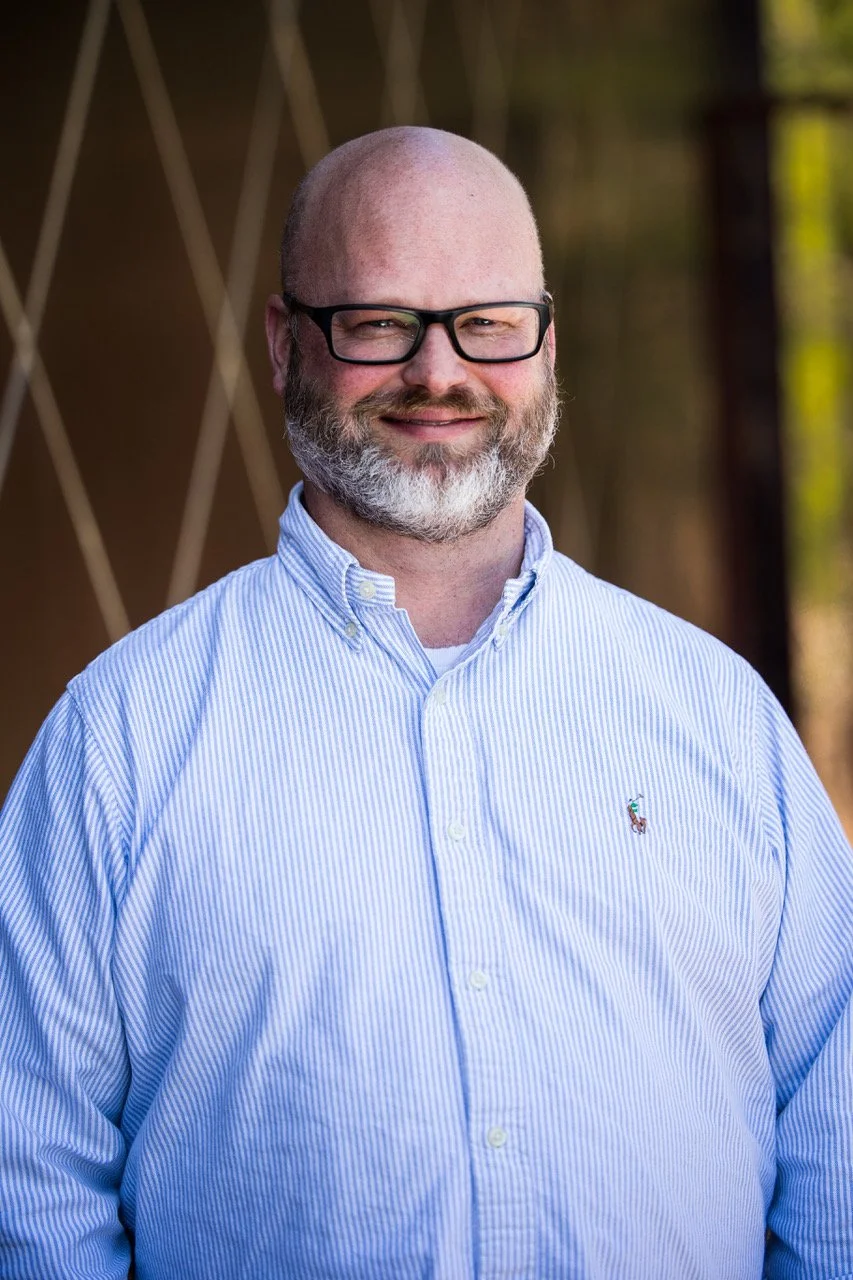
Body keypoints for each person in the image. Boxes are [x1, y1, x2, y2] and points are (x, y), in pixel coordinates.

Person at [1, 126, 851, 1280]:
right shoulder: (120, 738)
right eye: (380, 322)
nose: (440, 371)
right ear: (283, 341)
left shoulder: (715, 715)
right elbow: (29, 1180)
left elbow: (835, 1124)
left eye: (488, 321)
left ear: (548, 340)